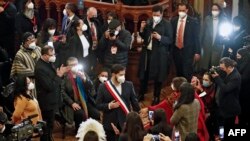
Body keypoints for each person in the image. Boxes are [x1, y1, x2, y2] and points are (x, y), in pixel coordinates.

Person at [138, 5, 173, 105]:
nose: (155, 17)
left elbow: (170, 40)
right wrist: (141, 29)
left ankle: (156, 96)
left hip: (159, 55)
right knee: (144, 74)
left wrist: (160, 37)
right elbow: (144, 36)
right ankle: (141, 94)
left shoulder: (167, 24)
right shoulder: (149, 21)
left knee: (158, 76)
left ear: (161, 14)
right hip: (147, 52)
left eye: (157, 15)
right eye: (154, 15)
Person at [96, 64, 140, 141]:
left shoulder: (129, 85)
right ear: (113, 74)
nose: (123, 77)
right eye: (121, 75)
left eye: (124, 74)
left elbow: (134, 102)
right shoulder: (103, 86)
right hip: (110, 122)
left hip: (126, 121)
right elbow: (98, 105)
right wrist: (109, 106)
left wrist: (138, 115)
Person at [35, 45, 69, 141]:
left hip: (53, 99)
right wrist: (59, 75)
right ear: (45, 55)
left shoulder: (48, 62)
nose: (53, 56)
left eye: (54, 54)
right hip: (46, 102)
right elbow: (49, 86)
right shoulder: (40, 68)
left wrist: (59, 75)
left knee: (50, 125)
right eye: (51, 55)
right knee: (46, 126)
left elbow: (54, 78)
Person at [61, 57, 100, 132]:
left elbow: (91, 87)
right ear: (68, 66)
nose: (75, 66)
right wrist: (72, 103)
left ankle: (89, 129)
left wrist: (84, 78)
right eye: (72, 65)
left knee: (96, 114)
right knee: (80, 114)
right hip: (72, 102)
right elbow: (62, 92)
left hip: (84, 100)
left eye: (76, 64)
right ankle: (79, 131)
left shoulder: (82, 73)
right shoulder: (65, 76)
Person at [171, 3, 200, 81]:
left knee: (187, 72)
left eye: (183, 10)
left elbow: (196, 37)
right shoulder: (173, 20)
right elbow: (172, 36)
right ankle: (179, 90)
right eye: (180, 10)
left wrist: (197, 52)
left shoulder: (193, 21)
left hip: (188, 51)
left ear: (187, 10)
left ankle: (187, 90)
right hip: (176, 50)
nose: (181, 12)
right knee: (178, 72)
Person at [211, 57, 241, 130]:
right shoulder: (227, 72)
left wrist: (217, 77)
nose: (221, 70)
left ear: (230, 67)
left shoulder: (236, 77)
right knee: (221, 126)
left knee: (228, 128)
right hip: (223, 106)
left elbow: (226, 89)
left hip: (230, 109)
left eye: (223, 68)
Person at [11, 32, 41, 98]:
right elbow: (20, 71)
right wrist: (38, 72)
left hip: (42, 81)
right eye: (29, 39)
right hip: (30, 82)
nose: (33, 40)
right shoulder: (19, 54)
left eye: (33, 38)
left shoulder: (38, 49)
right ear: (25, 42)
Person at [200, 3, 228, 71]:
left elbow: (226, 34)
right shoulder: (207, 19)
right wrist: (200, 45)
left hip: (218, 46)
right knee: (206, 65)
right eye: (213, 9)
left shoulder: (224, 20)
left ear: (219, 10)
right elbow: (202, 32)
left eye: (216, 9)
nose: (214, 11)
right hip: (206, 45)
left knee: (215, 66)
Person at [236, 48, 250, 127]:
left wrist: (235, 76)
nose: (237, 58)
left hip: (247, 93)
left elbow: (245, 78)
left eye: (239, 56)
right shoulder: (240, 64)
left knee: (245, 111)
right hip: (241, 92)